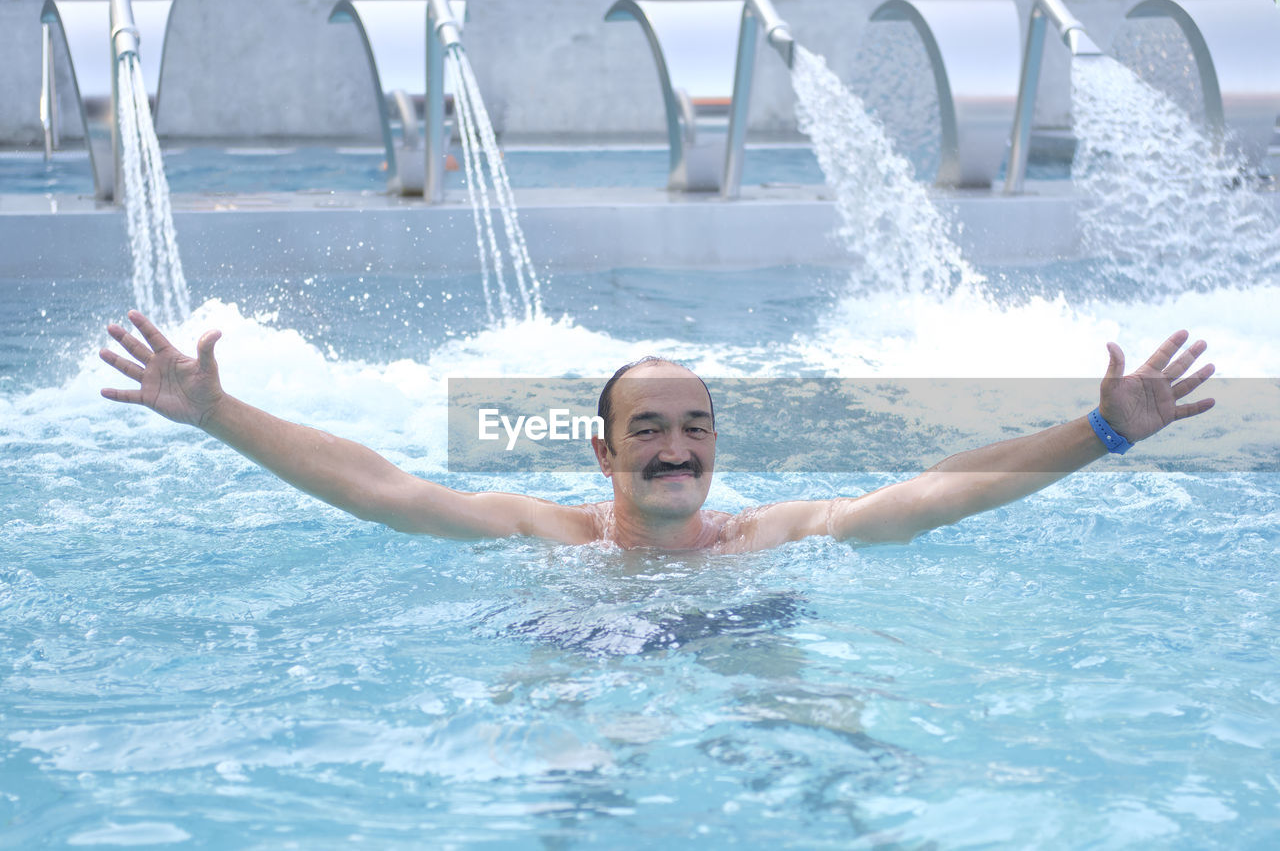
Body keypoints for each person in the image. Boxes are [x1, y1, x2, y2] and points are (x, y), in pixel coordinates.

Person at [100, 310, 1215, 553]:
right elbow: (384, 487)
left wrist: (1097, 433)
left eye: (695, 426)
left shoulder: (770, 537)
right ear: (602, 450)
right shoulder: (551, 536)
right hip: (579, 650)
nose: (675, 445)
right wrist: (218, 413)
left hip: (743, 642)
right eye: (648, 428)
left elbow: (935, 488)